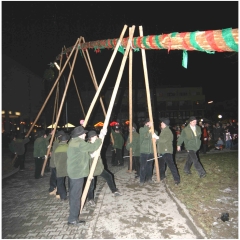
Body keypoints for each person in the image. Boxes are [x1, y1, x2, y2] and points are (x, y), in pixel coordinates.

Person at [67, 126, 106, 226]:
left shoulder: (73, 141)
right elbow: (94, 146)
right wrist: (100, 137)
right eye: (84, 133)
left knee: (74, 195)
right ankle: (73, 219)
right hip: (77, 173)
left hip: (74, 172)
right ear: (80, 135)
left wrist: (91, 156)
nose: (85, 134)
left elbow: (80, 155)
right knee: (76, 196)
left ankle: (73, 216)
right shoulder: (80, 143)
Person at [87, 130, 121, 206]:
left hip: (99, 168)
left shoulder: (96, 143)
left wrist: (103, 133)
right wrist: (92, 154)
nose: (97, 137)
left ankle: (114, 190)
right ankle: (90, 199)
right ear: (91, 137)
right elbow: (88, 155)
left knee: (109, 176)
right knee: (91, 185)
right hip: (91, 169)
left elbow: (100, 139)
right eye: (95, 136)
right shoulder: (88, 145)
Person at [152, 118, 180, 185]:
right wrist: (157, 140)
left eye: (161, 123)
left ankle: (177, 179)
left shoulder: (168, 131)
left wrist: (157, 137)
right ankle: (162, 176)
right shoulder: (163, 130)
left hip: (166, 151)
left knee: (171, 166)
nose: (161, 124)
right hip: (162, 151)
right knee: (161, 165)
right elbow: (161, 141)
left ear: (164, 124)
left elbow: (164, 140)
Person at [139, 118, 157, 186]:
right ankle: (142, 180)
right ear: (146, 123)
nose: (152, 124)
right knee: (143, 166)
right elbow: (145, 136)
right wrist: (150, 129)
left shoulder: (153, 130)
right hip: (144, 151)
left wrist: (156, 140)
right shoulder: (142, 129)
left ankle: (149, 179)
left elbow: (156, 135)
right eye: (150, 122)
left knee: (150, 166)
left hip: (151, 151)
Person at [53, 133, 70, 201]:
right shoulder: (69, 148)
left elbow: (55, 160)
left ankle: (63, 196)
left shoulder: (57, 149)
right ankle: (70, 193)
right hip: (68, 167)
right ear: (66, 140)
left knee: (60, 182)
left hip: (59, 168)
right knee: (70, 181)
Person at [49, 130, 65, 197]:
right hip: (57, 163)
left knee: (54, 176)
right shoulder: (59, 143)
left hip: (54, 162)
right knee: (59, 178)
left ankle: (52, 189)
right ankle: (57, 192)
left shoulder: (56, 142)